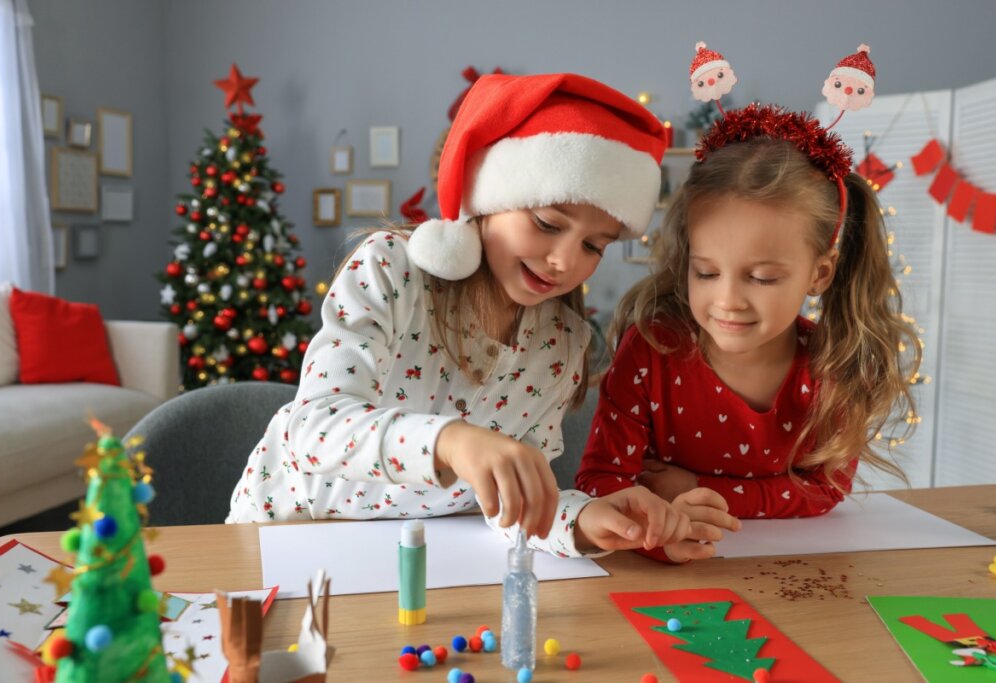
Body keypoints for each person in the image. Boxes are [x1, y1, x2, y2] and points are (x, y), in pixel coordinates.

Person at [228, 73, 731, 561]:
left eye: (593, 246)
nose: (564, 262)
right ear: (487, 197)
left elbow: (512, 504)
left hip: (425, 555)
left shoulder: (563, 343)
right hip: (288, 533)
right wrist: (452, 441)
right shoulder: (390, 269)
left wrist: (585, 522)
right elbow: (315, 427)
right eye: (546, 224)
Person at [575, 46, 921, 562]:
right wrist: (663, 526)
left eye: (761, 277)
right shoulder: (650, 350)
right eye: (706, 272)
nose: (727, 300)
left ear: (818, 273)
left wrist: (689, 489)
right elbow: (601, 480)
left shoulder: (833, 367)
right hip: (655, 574)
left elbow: (824, 490)